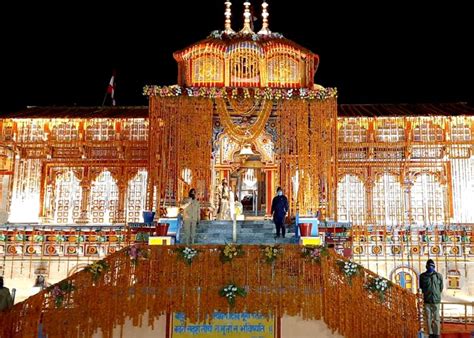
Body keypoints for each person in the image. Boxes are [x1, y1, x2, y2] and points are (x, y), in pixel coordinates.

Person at [419, 259, 443, 338]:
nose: (430, 267)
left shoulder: (438, 276)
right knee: (428, 317)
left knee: (436, 317)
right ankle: (430, 333)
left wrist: (436, 294)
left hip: (436, 300)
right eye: (429, 266)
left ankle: (436, 333)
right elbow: (421, 287)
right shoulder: (422, 276)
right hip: (427, 300)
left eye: (432, 266)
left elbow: (441, 287)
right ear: (426, 266)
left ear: (434, 266)